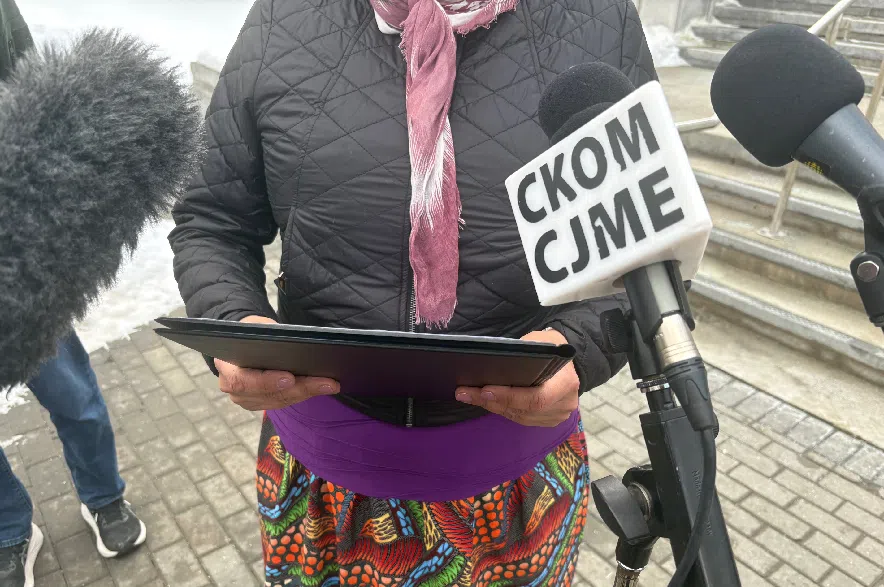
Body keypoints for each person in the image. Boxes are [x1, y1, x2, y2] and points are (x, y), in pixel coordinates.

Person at [170, 0, 656, 584]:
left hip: (516, 489)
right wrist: (235, 325)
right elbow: (212, 220)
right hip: (322, 485)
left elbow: (648, 244)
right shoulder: (286, 13)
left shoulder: (595, 17)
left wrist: (582, 345)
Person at [0, 5, 146, 586]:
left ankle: (103, 496)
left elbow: (36, 92)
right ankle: (10, 530)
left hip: (13, 244)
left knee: (70, 392)